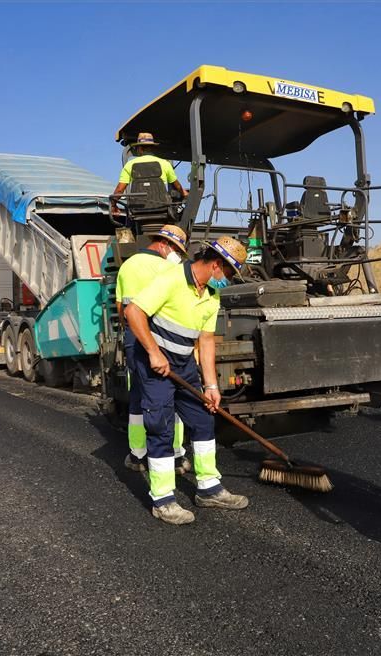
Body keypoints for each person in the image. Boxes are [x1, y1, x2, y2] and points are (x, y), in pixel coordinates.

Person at [124, 236, 248, 525]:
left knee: (203, 419)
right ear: (216, 265)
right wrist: (154, 352)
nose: (228, 280)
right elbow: (134, 311)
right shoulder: (171, 280)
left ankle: (209, 489)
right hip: (155, 364)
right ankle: (163, 500)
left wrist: (212, 386)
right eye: (229, 274)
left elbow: (205, 342)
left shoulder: (211, 296)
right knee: (161, 427)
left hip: (184, 365)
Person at [115, 224, 191, 475]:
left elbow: (121, 308)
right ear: (165, 245)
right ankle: (177, 456)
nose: (177, 254)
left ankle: (137, 455)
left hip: (134, 338)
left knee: (138, 395)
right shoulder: (171, 268)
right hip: (163, 338)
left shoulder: (127, 266)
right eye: (176, 249)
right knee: (171, 394)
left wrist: (130, 335)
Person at [111, 132, 187, 213]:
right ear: (152, 148)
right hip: (162, 209)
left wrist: (113, 204)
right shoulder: (165, 164)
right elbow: (178, 187)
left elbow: (119, 190)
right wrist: (186, 195)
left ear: (139, 148)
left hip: (138, 211)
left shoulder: (130, 165)